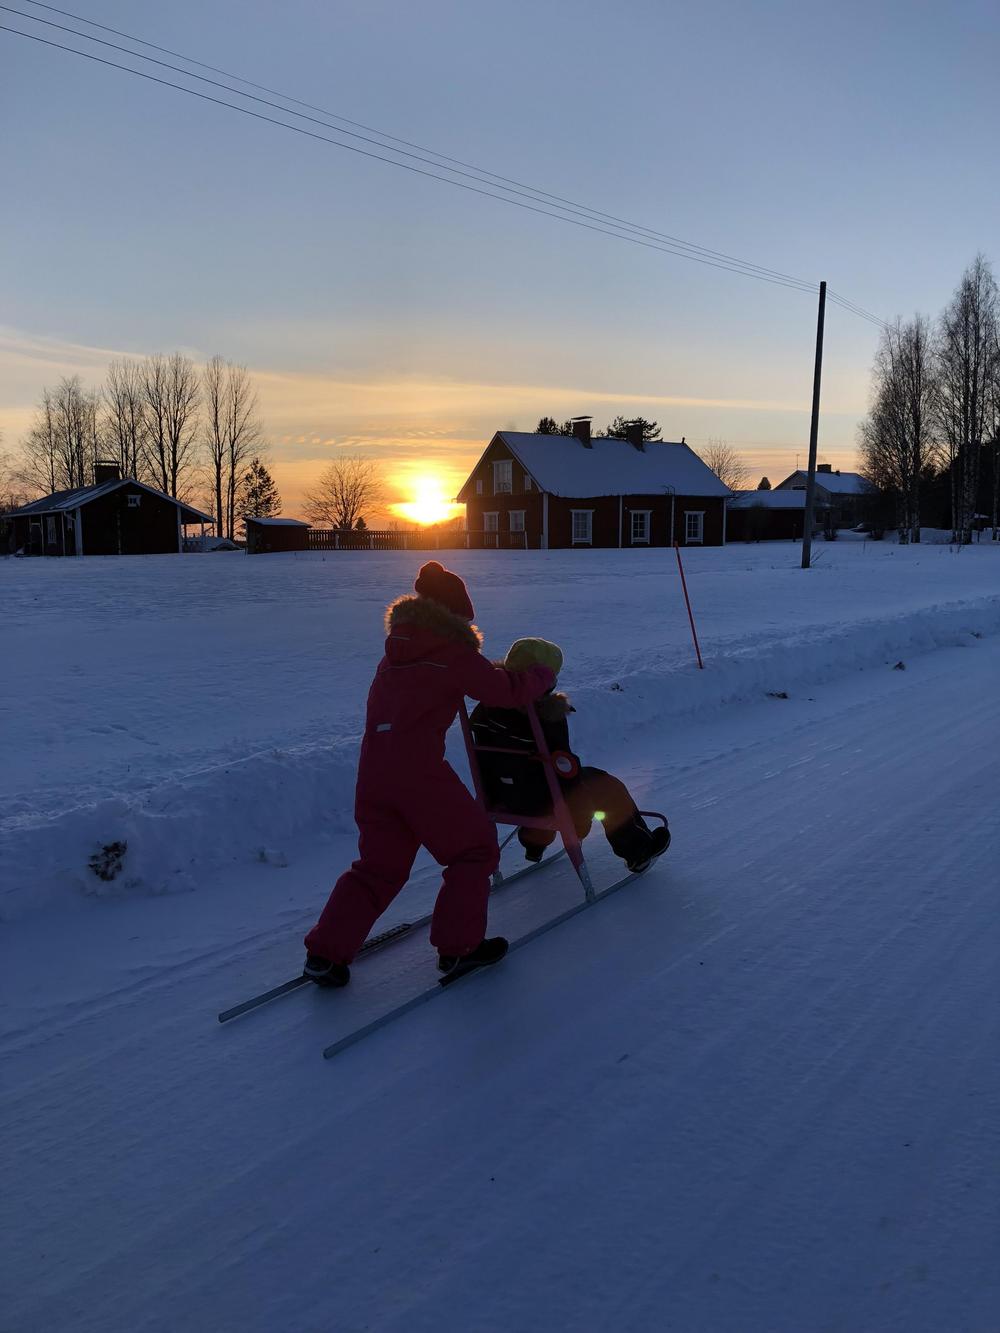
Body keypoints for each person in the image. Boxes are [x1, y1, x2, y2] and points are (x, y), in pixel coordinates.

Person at [303, 562, 555, 988]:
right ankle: (460, 950)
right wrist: (539, 678)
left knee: (378, 866)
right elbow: (503, 691)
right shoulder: (452, 652)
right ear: (454, 615)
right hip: (417, 775)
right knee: (474, 849)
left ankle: (324, 954)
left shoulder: (393, 654)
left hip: (373, 773)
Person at [469, 638, 670, 872]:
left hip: (501, 795)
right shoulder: (544, 715)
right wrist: (580, 815)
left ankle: (534, 842)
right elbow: (564, 769)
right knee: (606, 786)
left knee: (529, 775)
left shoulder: (485, 708)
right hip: (544, 799)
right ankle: (638, 850)